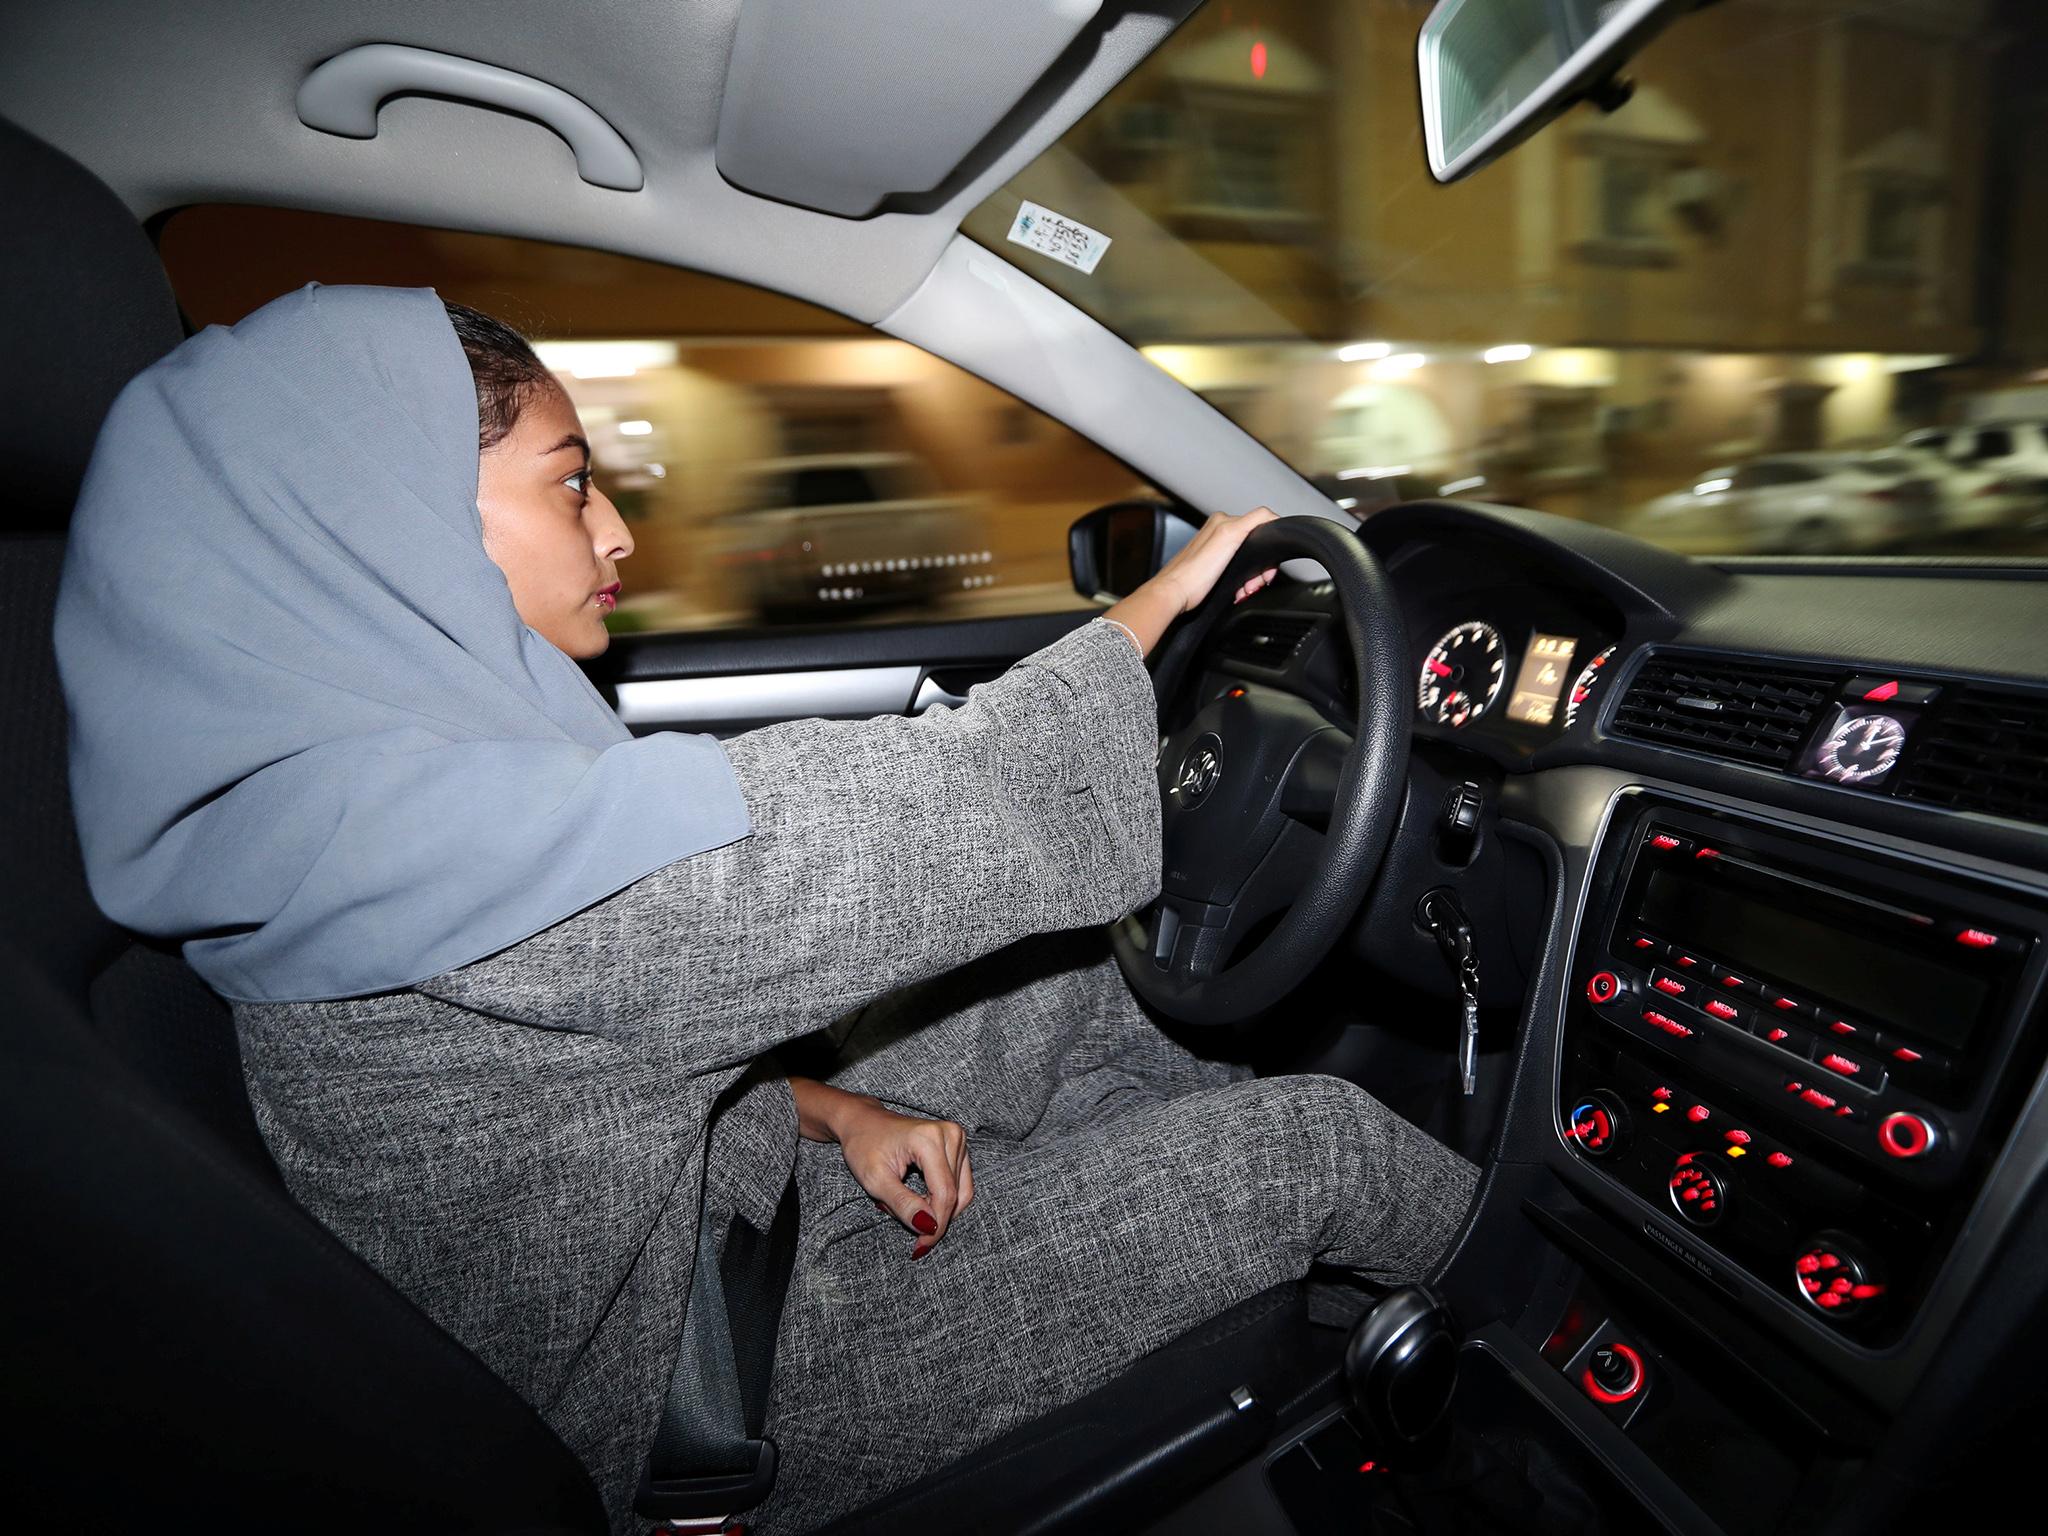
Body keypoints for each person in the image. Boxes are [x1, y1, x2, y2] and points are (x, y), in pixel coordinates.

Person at [55, 284, 1479, 1534]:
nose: (617, 529)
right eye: (567, 484)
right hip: (711, 1407)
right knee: (1315, 1151)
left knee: (1070, 990)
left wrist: (838, 1110)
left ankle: (1214, 1248)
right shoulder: (451, 861)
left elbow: (582, 1053)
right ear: (388, 525)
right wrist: (1151, 609)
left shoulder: (328, 808)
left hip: (712, 1222)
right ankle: (1555, 1370)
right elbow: (885, 833)